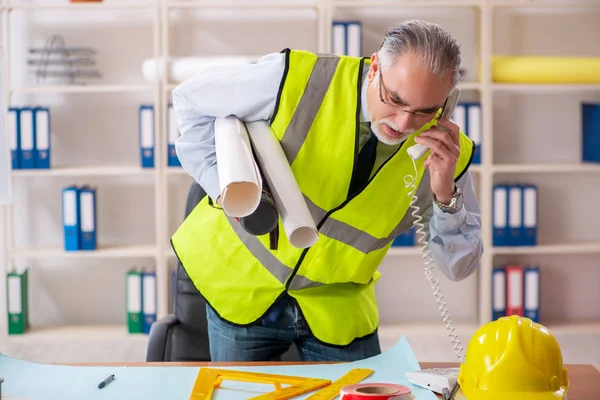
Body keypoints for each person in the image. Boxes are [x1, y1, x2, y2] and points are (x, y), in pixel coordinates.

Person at [170, 19, 483, 363]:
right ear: (375, 66)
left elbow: (459, 267)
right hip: (241, 285)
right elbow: (189, 101)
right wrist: (225, 189)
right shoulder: (297, 79)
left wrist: (444, 194)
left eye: (425, 111)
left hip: (337, 308)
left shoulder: (447, 156)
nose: (404, 123)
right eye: (394, 99)